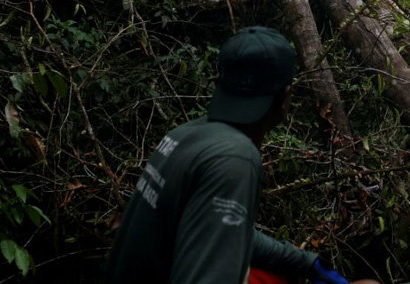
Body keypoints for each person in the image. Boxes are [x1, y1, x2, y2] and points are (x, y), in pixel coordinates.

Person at [103, 26, 365, 284]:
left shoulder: (185, 135)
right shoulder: (234, 158)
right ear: (285, 97)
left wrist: (304, 262)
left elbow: (218, 231)